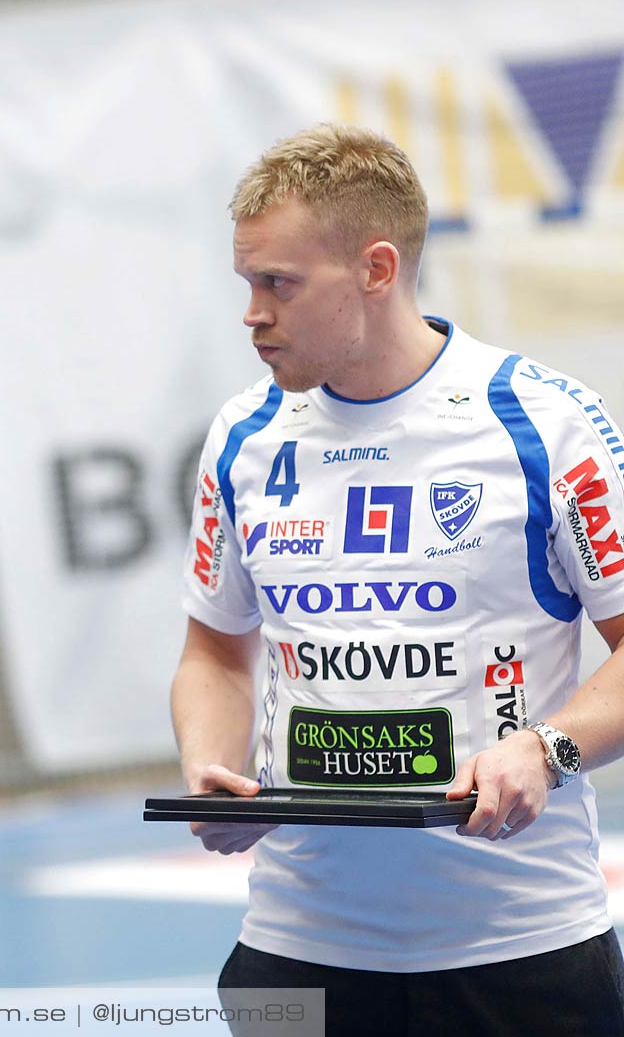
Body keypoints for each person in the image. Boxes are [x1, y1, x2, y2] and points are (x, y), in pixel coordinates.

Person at [172, 123, 624, 1035]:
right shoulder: (244, 436)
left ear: (378, 269)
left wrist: (545, 749)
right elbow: (215, 651)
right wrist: (210, 769)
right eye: (247, 282)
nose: (252, 312)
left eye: (279, 283)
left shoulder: (542, 423)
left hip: (521, 949)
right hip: (301, 944)